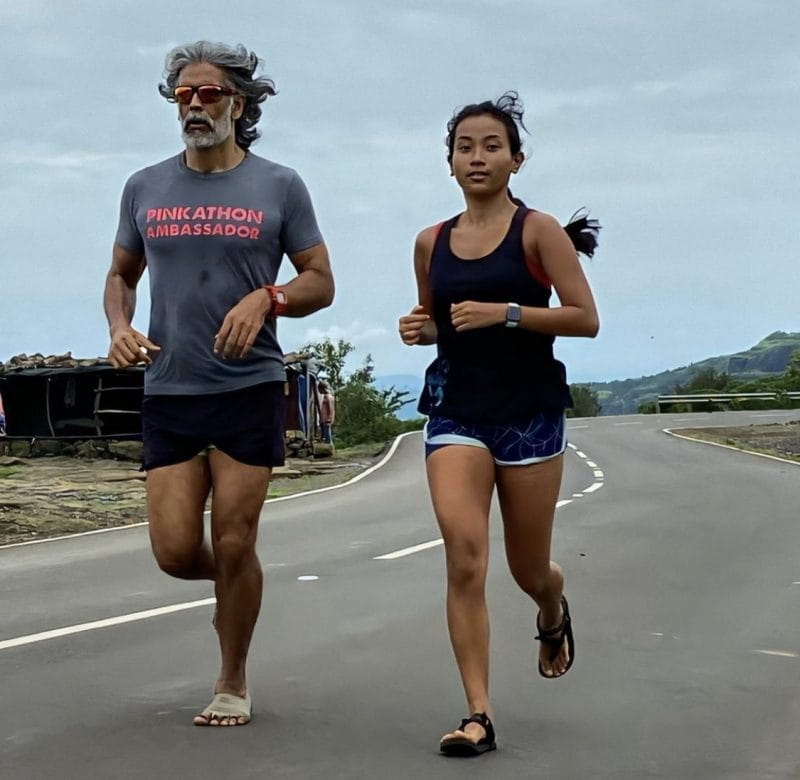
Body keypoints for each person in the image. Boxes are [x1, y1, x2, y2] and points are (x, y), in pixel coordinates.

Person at [103, 41, 334, 727]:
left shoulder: (279, 185)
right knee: (177, 552)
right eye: (184, 95)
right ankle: (239, 587)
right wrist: (118, 324)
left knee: (235, 538)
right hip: (170, 388)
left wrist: (271, 299)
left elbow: (320, 279)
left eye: (209, 94)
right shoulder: (144, 186)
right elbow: (121, 275)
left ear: (240, 102)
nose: (195, 105)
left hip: (248, 385)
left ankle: (232, 678)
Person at [398, 92, 599, 756]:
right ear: (450, 163)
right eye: (465, 147)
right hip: (457, 408)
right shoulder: (431, 242)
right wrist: (419, 327)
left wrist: (508, 313)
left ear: (515, 158)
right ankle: (478, 714)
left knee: (524, 568)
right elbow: (435, 320)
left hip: (530, 411)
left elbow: (583, 318)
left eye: (491, 146)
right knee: (464, 555)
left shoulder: (538, 232)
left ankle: (551, 601)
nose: (477, 157)